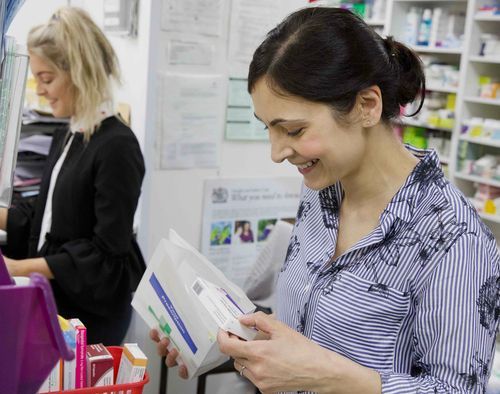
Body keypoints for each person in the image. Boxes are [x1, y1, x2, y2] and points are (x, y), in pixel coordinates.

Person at [151, 7, 499, 393]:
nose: (277, 152)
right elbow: (305, 330)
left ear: (367, 106)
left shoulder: (455, 239)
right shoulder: (322, 190)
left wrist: (330, 377)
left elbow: (457, 389)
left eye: (294, 130)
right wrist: (225, 335)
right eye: (268, 128)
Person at [0, 7, 146, 345]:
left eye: (47, 79)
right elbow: (47, 219)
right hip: (55, 299)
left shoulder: (117, 147)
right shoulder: (71, 135)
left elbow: (106, 253)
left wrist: (19, 269)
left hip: (90, 314)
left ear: (79, 72)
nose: (41, 90)